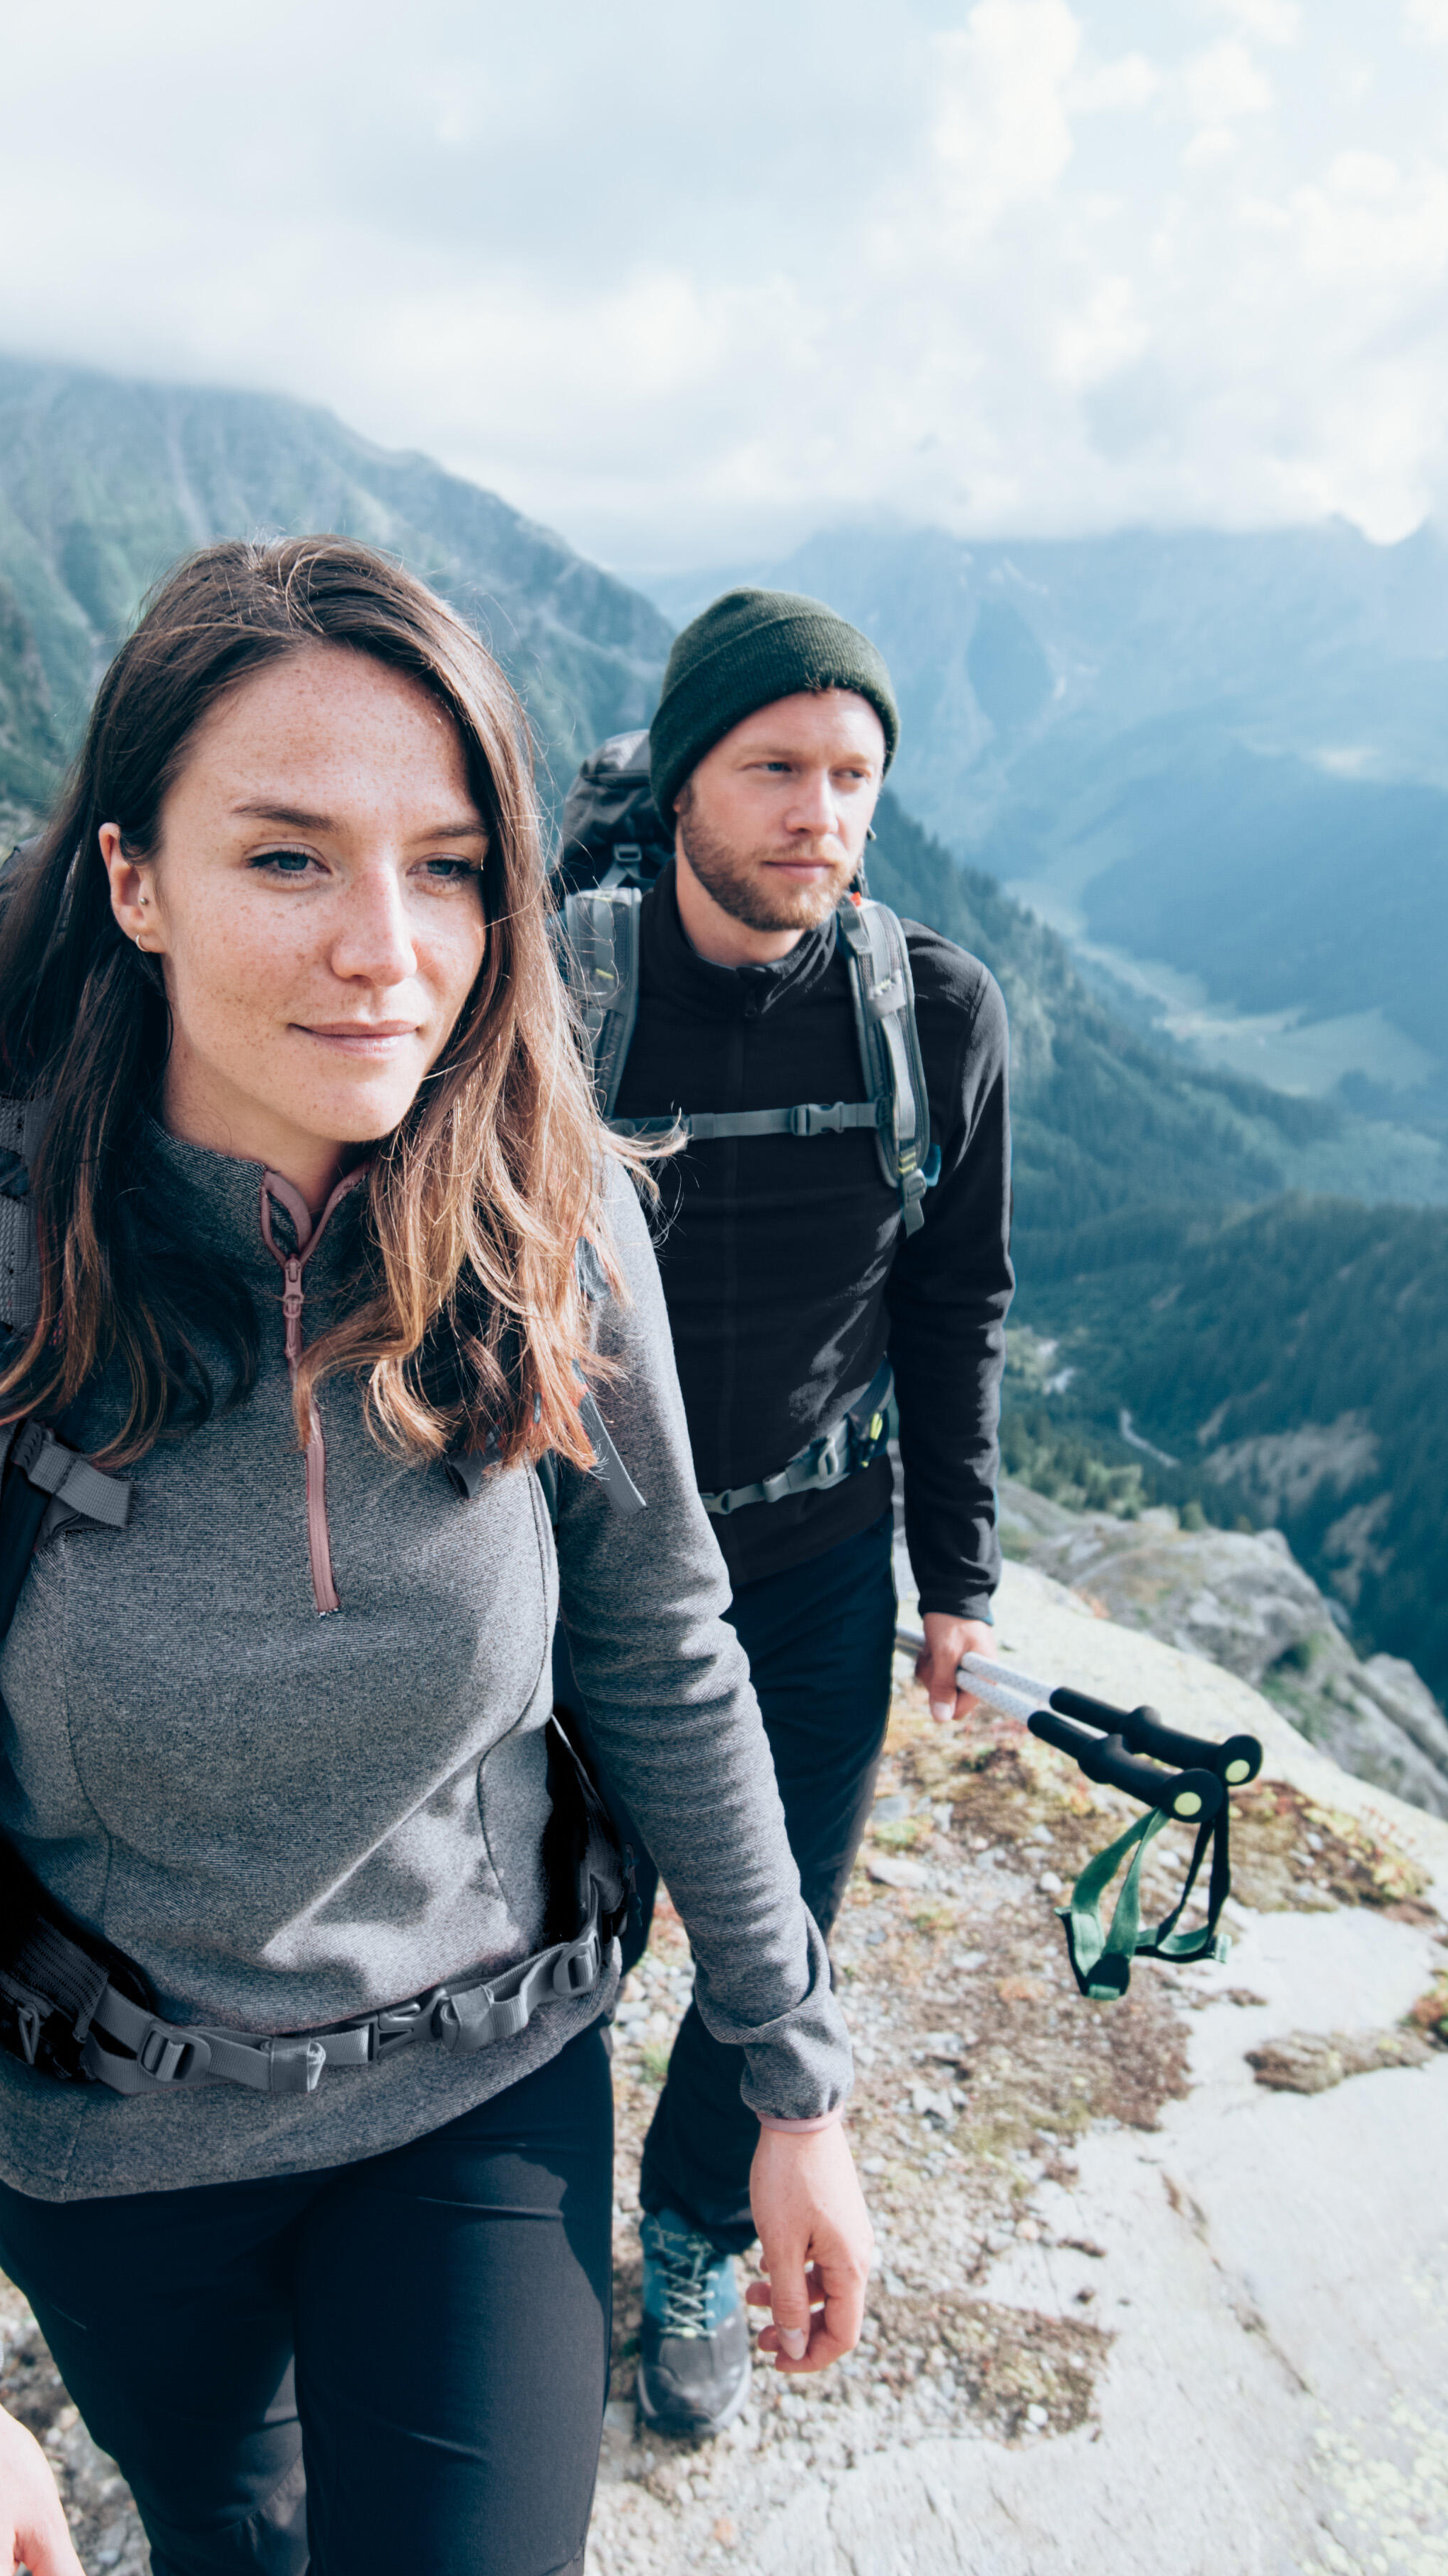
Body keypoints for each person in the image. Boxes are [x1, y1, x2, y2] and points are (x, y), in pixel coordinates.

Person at [0, 538, 872, 2576]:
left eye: (448, 866)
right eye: (288, 859)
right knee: (241, 2544)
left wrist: (791, 2078)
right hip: (120, 2158)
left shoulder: (545, 1226)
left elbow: (660, 1647)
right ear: (132, 881)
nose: (388, 946)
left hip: (480, 2088)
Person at [572, 589, 1013, 2439]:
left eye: (852, 776)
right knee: (536, 1944)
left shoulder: (932, 1013)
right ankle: (483, 2244)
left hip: (817, 1565)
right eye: (775, 770)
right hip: (574, 1574)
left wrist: (955, 1579)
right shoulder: (553, 993)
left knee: (782, 1947)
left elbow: (952, 1305)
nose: (817, 814)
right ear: (686, 781)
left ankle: (686, 2228)